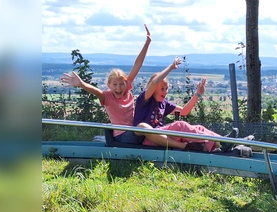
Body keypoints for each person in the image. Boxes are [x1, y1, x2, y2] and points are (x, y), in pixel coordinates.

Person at [60, 24, 205, 151]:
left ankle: (205, 142)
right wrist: (81, 84)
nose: (118, 87)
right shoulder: (107, 97)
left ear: (127, 84)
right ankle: (183, 147)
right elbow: (96, 91)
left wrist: (147, 43)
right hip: (124, 136)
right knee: (143, 126)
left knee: (162, 126)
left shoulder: (126, 90)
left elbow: (138, 65)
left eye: (121, 84)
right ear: (109, 85)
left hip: (139, 131)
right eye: (114, 84)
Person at [134, 57, 238, 152]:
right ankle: (221, 143)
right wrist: (170, 68)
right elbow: (154, 83)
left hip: (162, 136)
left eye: (166, 89)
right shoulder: (145, 99)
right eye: (162, 89)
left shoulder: (163, 103)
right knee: (180, 125)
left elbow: (184, 111)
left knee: (199, 127)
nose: (165, 92)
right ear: (153, 90)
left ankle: (224, 141)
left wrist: (198, 94)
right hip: (149, 138)